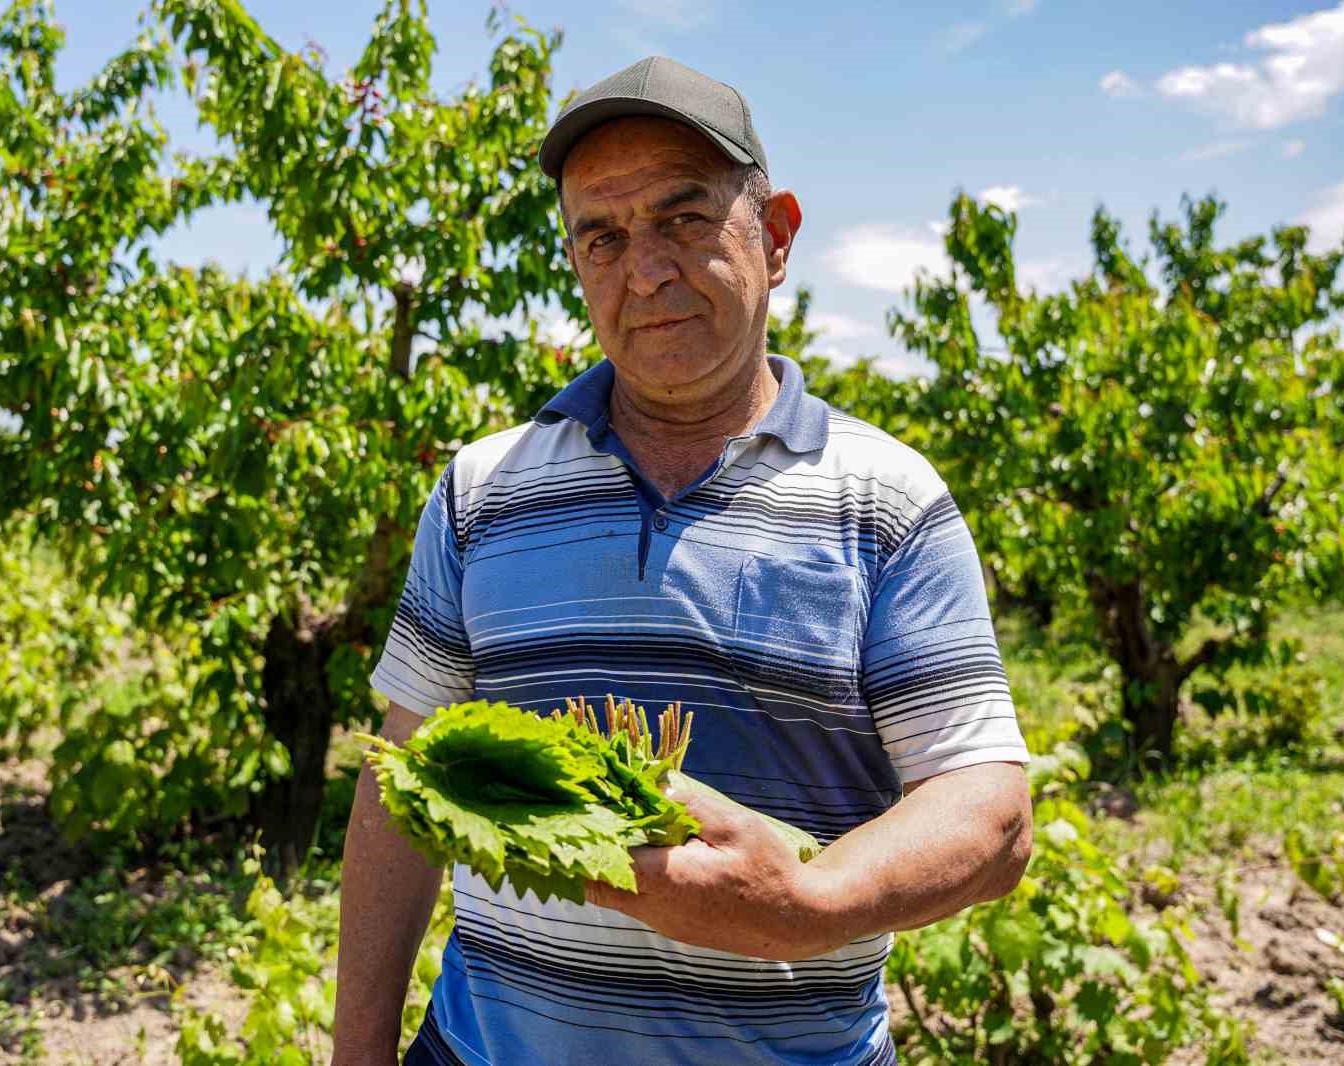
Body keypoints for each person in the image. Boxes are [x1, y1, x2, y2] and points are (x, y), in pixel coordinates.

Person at [332, 56, 1032, 1066]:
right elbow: (401, 779)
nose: (645, 269)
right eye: (602, 236)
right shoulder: (483, 489)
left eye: (683, 218)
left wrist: (805, 904)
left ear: (776, 235)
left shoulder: (886, 499)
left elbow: (989, 811)